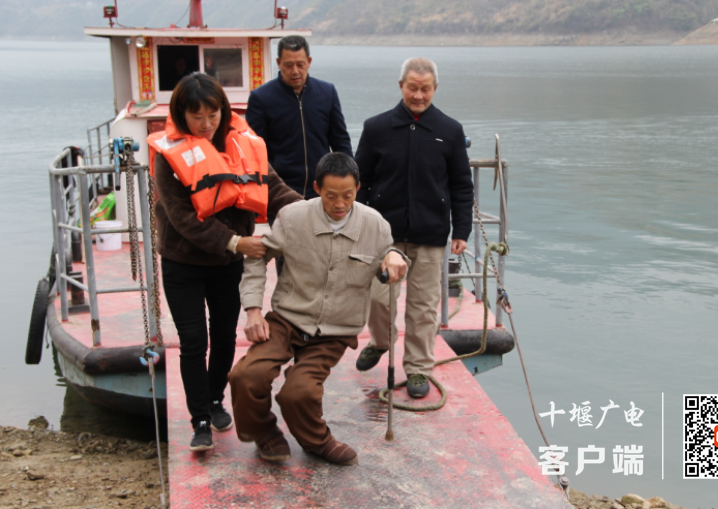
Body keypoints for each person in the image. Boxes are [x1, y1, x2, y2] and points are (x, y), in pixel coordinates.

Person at [147, 73, 302, 452]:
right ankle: (199, 419)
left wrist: (312, 212)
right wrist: (234, 241)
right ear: (181, 115)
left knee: (223, 337)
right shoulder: (169, 156)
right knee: (193, 341)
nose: (206, 124)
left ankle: (216, 400)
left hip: (227, 264)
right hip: (183, 263)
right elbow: (181, 217)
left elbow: (274, 188)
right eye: (196, 116)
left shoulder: (241, 143)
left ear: (223, 111)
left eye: (213, 115)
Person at [229, 152, 408, 465]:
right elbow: (257, 255)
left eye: (348, 196)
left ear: (358, 188)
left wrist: (395, 257)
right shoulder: (292, 217)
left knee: (298, 392)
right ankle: (263, 432)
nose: (340, 204)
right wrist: (253, 309)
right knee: (246, 375)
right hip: (288, 318)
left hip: (336, 329)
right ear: (316, 188)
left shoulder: (375, 224)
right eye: (330, 196)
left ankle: (316, 441)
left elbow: (390, 257)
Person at [353, 57, 474, 399]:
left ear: (435, 88)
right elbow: (360, 181)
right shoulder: (376, 128)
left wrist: (461, 231)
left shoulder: (450, 131)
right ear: (401, 86)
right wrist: (361, 224)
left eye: (425, 89)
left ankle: (419, 367)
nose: (418, 95)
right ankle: (381, 342)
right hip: (384, 236)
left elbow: (461, 186)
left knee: (423, 306)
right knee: (378, 299)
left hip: (430, 235)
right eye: (412, 88)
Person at [246, 35, 352, 199]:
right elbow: (255, 149)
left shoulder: (327, 92)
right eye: (288, 65)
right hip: (281, 190)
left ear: (309, 61)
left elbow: (340, 140)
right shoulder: (261, 98)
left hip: (322, 188)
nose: (295, 71)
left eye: (300, 65)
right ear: (278, 63)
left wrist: (349, 176)